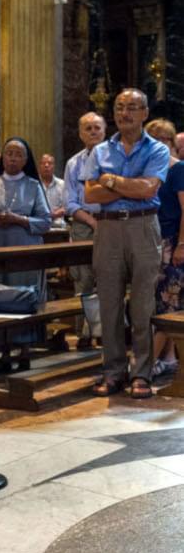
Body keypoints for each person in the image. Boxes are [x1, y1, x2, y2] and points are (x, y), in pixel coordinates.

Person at [83, 88, 169, 399]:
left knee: (143, 303)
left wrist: (110, 180)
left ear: (145, 113)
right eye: (120, 107)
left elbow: (148, 189)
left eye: (132, 108)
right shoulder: (100, 151)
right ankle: (113, 371)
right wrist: (125, 186)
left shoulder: (157, 150)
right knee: (109, 303)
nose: (124, 113)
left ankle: (142, 373)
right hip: (108, 230)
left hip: (143, 226)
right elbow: (90, 195)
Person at [0, 137, 52, 371]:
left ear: (26, 160)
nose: (12, 158)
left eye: (18, 154)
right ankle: (2, 352)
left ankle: (24, 351)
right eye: (9, 153)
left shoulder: (33, 186)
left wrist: (18, 220)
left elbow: (45, 222)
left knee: (21, 298)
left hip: (24, 250)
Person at [63, 112, 107, 348]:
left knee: (108, 280)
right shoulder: (73, 163)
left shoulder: (114, 158)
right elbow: (70, 203)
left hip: (110, 223)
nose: (93, 132)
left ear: (104, 131)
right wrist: (91, 222)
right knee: (84, 281)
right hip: (83, 224)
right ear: (80, 134)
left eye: (97, 128)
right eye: (88, 128)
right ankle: (83, 333)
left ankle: (103, 333)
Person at [145, 118, 182, 378]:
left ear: (171, 143)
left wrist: (181, 244)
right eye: (153, 138)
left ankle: (143, 366)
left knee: (168, 303)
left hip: (172, 243)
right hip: (151, 240)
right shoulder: (149, 170)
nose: (158, 143)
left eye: (164, 138)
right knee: (158, 303)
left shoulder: (177, 169)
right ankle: (167, 358)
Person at [39, 153, 67, 228]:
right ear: (39, 166)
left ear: (54, 166)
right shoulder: (34, 185)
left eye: (49, 163)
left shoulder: (62, 184)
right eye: (43, 163)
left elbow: (67, 206)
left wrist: (53, 215)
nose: (46, 165)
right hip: (38, 225)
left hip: (57, 226)